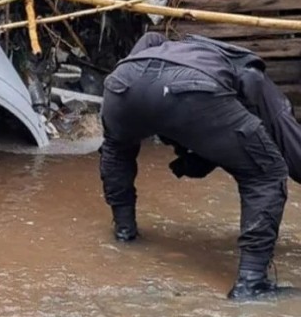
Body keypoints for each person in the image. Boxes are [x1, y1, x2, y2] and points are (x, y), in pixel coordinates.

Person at [99, 31, 301, 300]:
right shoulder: (251, 72)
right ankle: (251, 283)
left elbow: (147, 48)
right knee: (267, 173)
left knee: (117, 147)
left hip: (122, 84)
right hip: (192, 90)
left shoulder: (163, 45)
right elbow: (287, 141)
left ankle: (125, 232)